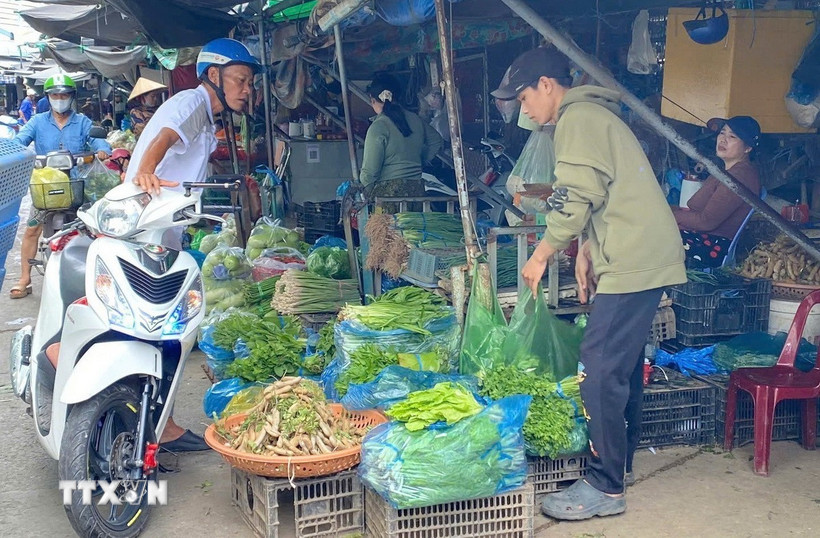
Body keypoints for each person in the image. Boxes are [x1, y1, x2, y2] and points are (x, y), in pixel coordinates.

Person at [492, 47, 686, 520]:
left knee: (598, 365)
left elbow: (576, 196)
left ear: (546, 85)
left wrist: (542, 255)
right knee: (618, 364)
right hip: (639, 251)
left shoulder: (577, 118)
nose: (524, 110)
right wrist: (588, 251)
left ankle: (605, 485)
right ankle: (620, 466)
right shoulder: (592, 116)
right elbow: (601, 193)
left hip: (636, 257)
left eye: (523, 98)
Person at [126, 38, 261, 452]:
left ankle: (153, 420)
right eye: (240, 80)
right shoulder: (189, 103)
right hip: (143, 236)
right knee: (160, 330)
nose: (246, 90)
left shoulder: (206, 117)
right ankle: (153, 425)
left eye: (250, 83)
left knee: (162, 331)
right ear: (214, 76)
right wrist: (146, 171)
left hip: (162, 235)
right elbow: (163, 139)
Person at [10, 74, 111, 299]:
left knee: (94, 228)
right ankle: (25, 278)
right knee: (32, 229)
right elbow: (21, 140)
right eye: (55, 95)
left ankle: (97, 275)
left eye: (64, 94)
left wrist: (103, 150)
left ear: (71, 97)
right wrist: (18, 152)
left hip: (77, 187)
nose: (59, 98)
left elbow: (98, 141)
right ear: (48, 97)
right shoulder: (37, 122)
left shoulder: (83, 121)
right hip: (44, 189)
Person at [673, 116, 761, 268]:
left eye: (732, 136)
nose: (723, 139)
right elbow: (694, 207)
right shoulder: (726, 171)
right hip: (700, 237)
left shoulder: (740, 175)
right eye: (722, 133)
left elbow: (706, 221)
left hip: (711, 247)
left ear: (748, 148)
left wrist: (666, 216)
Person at [359, 72, 442, 208]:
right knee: (415, 229)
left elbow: (369, 173)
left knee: (390, 230)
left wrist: (367, 192)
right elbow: (436, 140)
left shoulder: (379, 127)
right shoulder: (415, 119)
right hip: (417, 192)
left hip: (389, 197)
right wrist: (420, 160)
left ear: (372, 99)